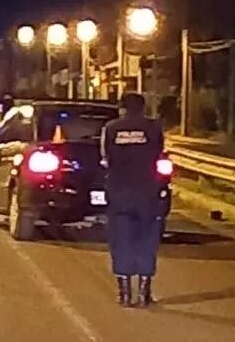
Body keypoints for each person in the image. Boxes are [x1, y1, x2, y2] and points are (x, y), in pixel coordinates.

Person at [101, 92, 165, 307]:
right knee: (147, 240)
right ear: (143, 107)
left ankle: (124, 292)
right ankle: (144, 292)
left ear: (122, 108)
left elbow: (106, 158)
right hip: (147, 193)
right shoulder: (154, 128)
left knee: (121, 240)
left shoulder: (111, 128)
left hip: (119, 194)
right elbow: (158, 154)